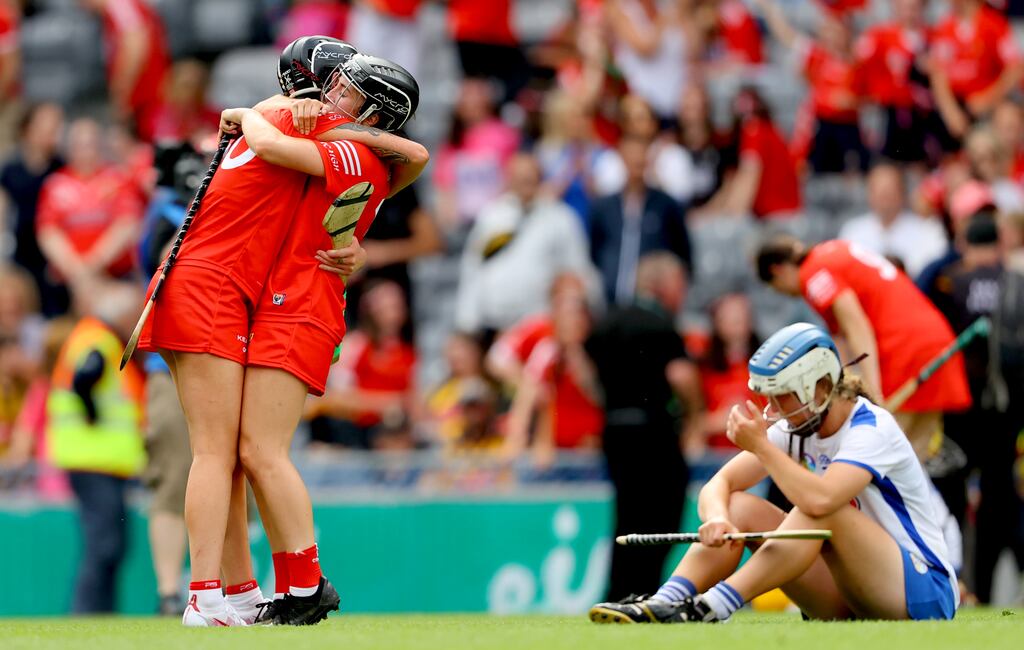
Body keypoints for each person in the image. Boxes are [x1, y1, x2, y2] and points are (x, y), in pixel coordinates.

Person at [138, 43, 425, 625]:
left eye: (347, 92)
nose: (330, 96)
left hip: (288, 306)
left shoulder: (334, 142)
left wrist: (246, 113)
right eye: (331, 84)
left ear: (374, 113)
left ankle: (289, 587)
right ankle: (235, 594)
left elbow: (409, 154)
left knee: (251, 452)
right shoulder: (316, 130)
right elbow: (408, 157)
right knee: (232, 454)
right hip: (236, 295)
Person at [590, 323, 958, 623]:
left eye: (781, 395)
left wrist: (762, 447)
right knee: (739, 507)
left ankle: (713, 606)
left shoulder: (871, 428)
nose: (771, 408)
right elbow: (720, 484)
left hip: (923, 594)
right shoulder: (801, 422)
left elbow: (821, 499)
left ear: (820, 388)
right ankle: (666, 602)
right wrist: (718, 520)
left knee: (821, 507)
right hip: (853, 598)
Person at [755, 236, 972, 461]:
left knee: (878, 453)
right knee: (914, 458)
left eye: (775, 287)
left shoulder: (814, 274)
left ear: (778, 270)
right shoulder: (833, 250)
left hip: (903, 351)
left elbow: (856, 325)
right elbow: (843, 334)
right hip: (932, 341)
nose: (786, 294)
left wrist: (873, 394)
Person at [584, 252, 701, 600]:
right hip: (655, 433)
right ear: (663, 285)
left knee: (627, 517)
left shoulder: (606, 322)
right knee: (664, 517)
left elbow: (588, 376)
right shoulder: (661, 323)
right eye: (679, 285)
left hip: (616, 431)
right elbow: (681, 375)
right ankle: (646, 590)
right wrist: (694, 417)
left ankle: (618, 592)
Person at [47, 282, 147, 614]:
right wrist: (93, 416)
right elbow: (84, 378)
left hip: (98, 460)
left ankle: (99, 613)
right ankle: (88, 612)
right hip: (93, 458)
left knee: (111, 545)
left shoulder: (91, 336)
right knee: (104, 545)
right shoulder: (100, 340)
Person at [454, 152, 599, 334]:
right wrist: (467, 319)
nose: (525, 184)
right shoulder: (492, 216)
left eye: (530, 178)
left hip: (540, 322)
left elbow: (577, 268)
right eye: (520, 178)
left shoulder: (560, 218)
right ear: (509, 180)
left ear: (540, 178)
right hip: (494, 322)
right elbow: (473, 265)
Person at [35, 118, 144, 298]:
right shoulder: (55, 184)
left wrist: (95, 262)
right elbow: (47, 231)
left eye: (91, 144)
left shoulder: (118, 179)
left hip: (115, 277)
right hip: (69, 282)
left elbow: (127, 224)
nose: (85, 152)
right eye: (79, 145)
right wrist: (75, 267)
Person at [589, 135, 692, 306]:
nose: (636, 164)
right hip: (611, 302)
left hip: (653, 303)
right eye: (631, 158)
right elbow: (595, 251)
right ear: (621, 159)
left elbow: (682, 251)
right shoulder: (604, 207)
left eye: (640, 158)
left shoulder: (665, 205)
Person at [0, 103, 66, 316]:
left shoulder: (61, 167)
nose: (51, 134)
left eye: (55, 128)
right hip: (21, 251)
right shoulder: (12, 169)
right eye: (45, 128)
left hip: (53, 254)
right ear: (28, 129)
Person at [929, 0, 1024, 146]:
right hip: (956, 105)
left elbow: (1015, 68)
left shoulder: (993, 24)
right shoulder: (946, 27)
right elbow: (938, 72)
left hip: (987, 108)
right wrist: (951, 111)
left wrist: (987, 99)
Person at [79, 0, 171, 141]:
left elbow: (135, 45)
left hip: (148, 99)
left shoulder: (120, 5)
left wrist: (120, 94)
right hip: (146, 99)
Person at [838, 163, 948, 279]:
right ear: (869, 194)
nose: (885, 197)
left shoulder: (927, 230)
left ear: (902, 192)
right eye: (879, 191)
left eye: (890, 190)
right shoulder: (852, 231)